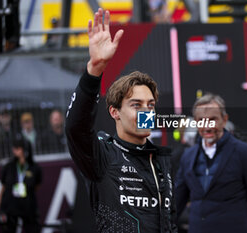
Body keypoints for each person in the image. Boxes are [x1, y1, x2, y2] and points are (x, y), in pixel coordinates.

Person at [65, 8, 177, 233]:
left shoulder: (160, 161)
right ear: (115, 112)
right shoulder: (103, 156)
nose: (146, 112)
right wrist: (94, 70)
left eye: (150, 105)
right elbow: (76, 128)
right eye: (136, 105)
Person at [175, 93, 247, 233]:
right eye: (201, 120)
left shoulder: (246, 154)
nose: (207, 126)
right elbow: (176, 203)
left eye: (212, 119)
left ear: (224, 120)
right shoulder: (187, 156)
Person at [0, 134, 42, 233]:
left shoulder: (34, 168)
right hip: (11, 205)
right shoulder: (9, 167)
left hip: (28, 205)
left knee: (32, 228)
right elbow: (4, 186)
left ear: (24, 149)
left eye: (18, 148)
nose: (14, 150)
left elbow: (37, 185)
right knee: (9, 228)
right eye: (14, 147)